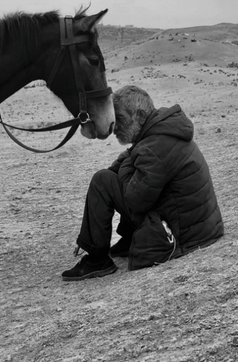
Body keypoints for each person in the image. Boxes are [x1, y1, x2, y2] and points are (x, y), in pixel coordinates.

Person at [62, 85, 224, 281]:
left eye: (120, 119)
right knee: (113, 177)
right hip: (199, 228)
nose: (115, 128)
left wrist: (126, 165)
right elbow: (130, 163)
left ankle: (97, 259)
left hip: (185, 235)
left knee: (102, 181)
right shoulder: (161, 133)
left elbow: (134, 200)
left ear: (138, 116)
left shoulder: (154, 147)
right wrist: (127, 163)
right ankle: (126, 239)